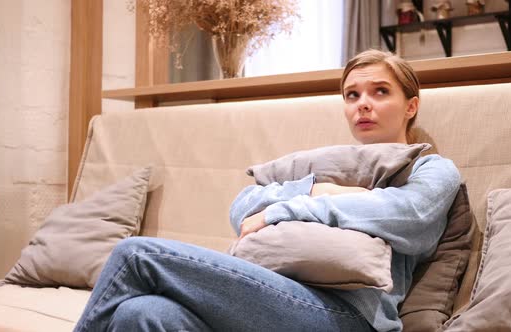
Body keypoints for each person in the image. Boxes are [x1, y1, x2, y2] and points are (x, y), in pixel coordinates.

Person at [73, 49, 460, 332]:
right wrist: (318, 189)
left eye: (380, 92)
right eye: (352, 95)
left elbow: (410, 216)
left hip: (350, 317)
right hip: (276, 297)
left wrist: (285, 209)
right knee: (141, 313)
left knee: (135, 254)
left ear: (410, 106)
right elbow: (243, 207)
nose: (363, 105)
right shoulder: (327, 167)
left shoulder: (431, 168)